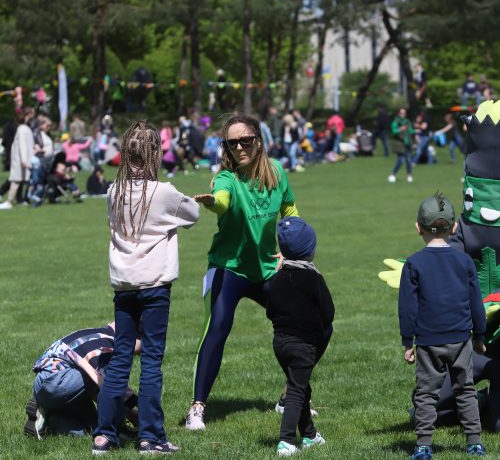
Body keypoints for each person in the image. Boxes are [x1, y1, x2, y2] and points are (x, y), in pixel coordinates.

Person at [185, 114, 298, 431]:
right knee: (217, 328)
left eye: (244, 140)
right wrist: (212, 203)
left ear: (258, 141)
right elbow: (222, 201)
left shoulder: (276, 173)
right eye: (231, 142)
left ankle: (292, 395)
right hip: (229, 268)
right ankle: (197, 408)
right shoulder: (226, 178)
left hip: (266, 268)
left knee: (303, 324)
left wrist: (290, 249)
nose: (239, 147)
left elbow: (290, 211)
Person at [92, 120, 199, 455]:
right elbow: (192, 213)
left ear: (124, 155)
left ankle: (105, 433)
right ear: (156, 153)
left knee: (121, 358)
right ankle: (150, 436)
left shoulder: (114, 192)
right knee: (151, 359)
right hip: (154, 285)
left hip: (124, 286)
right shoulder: (164, 192)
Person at [398, 192, 487, 459]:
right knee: (466, 390)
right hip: (460, 338)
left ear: (418, 227)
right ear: (455, 227)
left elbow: (407, 307)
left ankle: (424, 445)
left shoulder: (414, 263)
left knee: (426, 394)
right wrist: (479, 335)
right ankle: (474, 442)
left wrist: (407, 341)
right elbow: (476, 302)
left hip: (428, 340)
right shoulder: (464, 261)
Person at [266, 217, 334, 456]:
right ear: (310, 250)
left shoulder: (276, 279)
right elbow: (329, 311)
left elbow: (270, 310)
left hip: (280, 343)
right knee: (296, 390)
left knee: (301, 387)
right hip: (304, 345)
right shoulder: (313, 278)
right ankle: (285, 441)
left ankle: (309, 435)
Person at [25, 322, 139, 440]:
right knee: (105, 380)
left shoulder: (96, 333)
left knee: (90, 429)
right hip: (54, 382)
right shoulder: (106, 344)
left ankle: (49, 420)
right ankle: (118, 426)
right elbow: (108, 385)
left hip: (50, 384)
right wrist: (136, 410)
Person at [0, 107, 35, 210]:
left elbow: (23, 145)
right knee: (19, 181)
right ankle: (19, 199)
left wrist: (24, 160)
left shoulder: (22, 129)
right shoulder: (26, 129)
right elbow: (25, 145)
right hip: (23, 159)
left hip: (20, 160)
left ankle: (9, 202)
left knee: (15, 181)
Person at [388, 107, 414, 183]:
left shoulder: (407, 121)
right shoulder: (396, 121)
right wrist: (400, 129)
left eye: (404, 113)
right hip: (400, 144)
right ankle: (393, 174)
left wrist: (414, 130)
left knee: (409, 160)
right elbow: (394, 131)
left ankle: (409, 175)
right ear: (398, 113)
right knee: (401, 160)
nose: (403, 114)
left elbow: (411, 131)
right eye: (401, 113)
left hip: (408, 143)